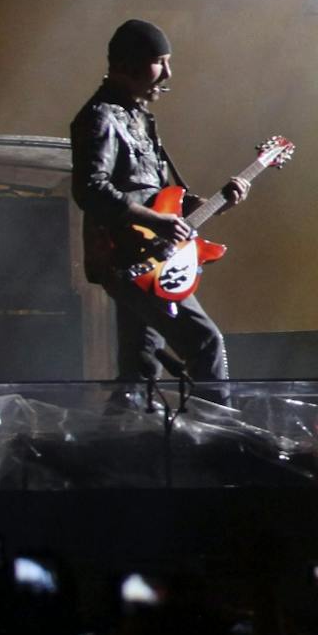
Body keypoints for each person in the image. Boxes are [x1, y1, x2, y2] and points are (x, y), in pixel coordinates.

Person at [70, 19, 248, 384]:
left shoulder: (138, 118)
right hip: (129, 257)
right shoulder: (101, 116)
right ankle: (217, 437)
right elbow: (89, 188)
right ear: (128, 63)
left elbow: (162, 199)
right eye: (158, 61)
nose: (167, 72)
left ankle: (126, 428)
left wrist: (217, 203)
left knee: (139, 368)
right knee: (205, 342)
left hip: (148, 257)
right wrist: (153, 221)